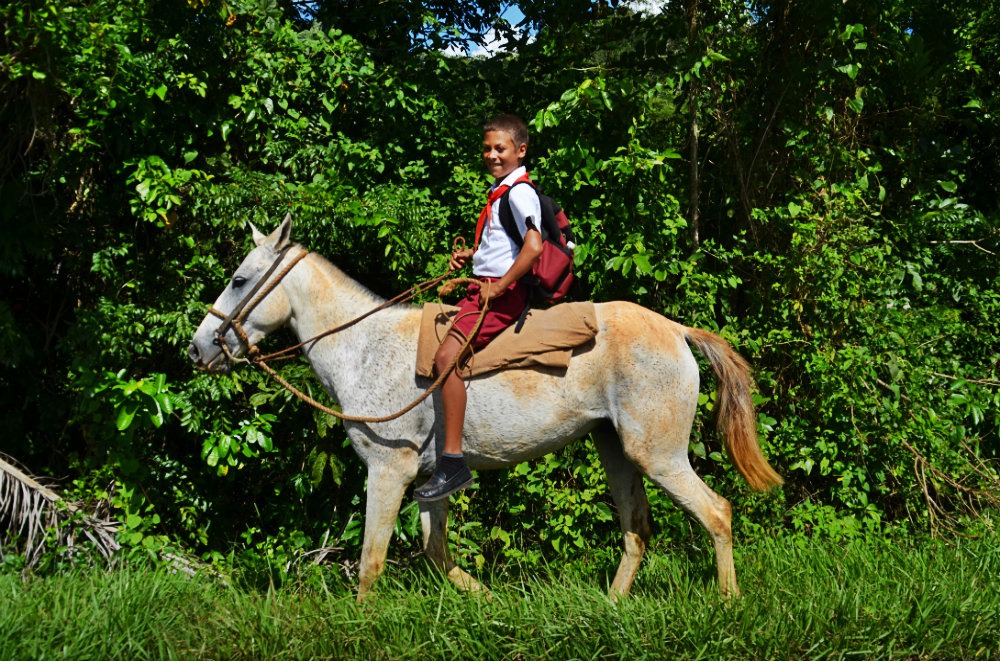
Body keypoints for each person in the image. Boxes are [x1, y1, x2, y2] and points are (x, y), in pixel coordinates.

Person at [414, 114, 543, 502]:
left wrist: (499, 286)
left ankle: (452, 463)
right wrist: (473, 256)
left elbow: (533, 247)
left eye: (500, 148)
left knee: (445, 357)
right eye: (487, 148)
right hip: (486, 287)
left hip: (502, 296)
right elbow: (505, 244)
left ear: (520, 151)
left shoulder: (519, 192)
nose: (491, 155)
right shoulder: (500, 190)